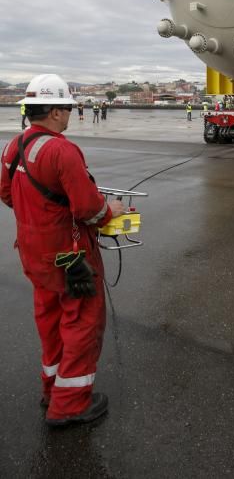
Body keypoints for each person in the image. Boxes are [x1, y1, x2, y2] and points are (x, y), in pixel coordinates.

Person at [0, 73, 125, 427]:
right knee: (82, 322)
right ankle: (69, 404)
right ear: (55, 111)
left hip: (33, 254)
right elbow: (89, 209)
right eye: (67, 108)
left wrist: (39, 218)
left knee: (50, 321)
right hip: (69, 257)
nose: (69, 115)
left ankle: (51, 388)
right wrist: (109, 211)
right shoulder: (61, 149)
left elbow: (7, 194)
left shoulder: (14, 146)